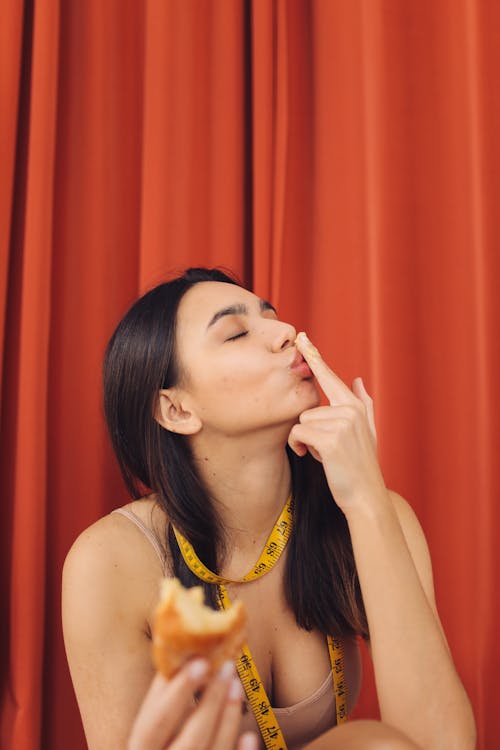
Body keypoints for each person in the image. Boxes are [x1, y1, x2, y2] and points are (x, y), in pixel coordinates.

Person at [62, 267, 475, 750]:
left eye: (273, 317)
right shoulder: (111, 563)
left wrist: (366, 500)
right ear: (176, 410)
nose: (287, 333)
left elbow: (443, 744)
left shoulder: (375, 516)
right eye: (236, 333)